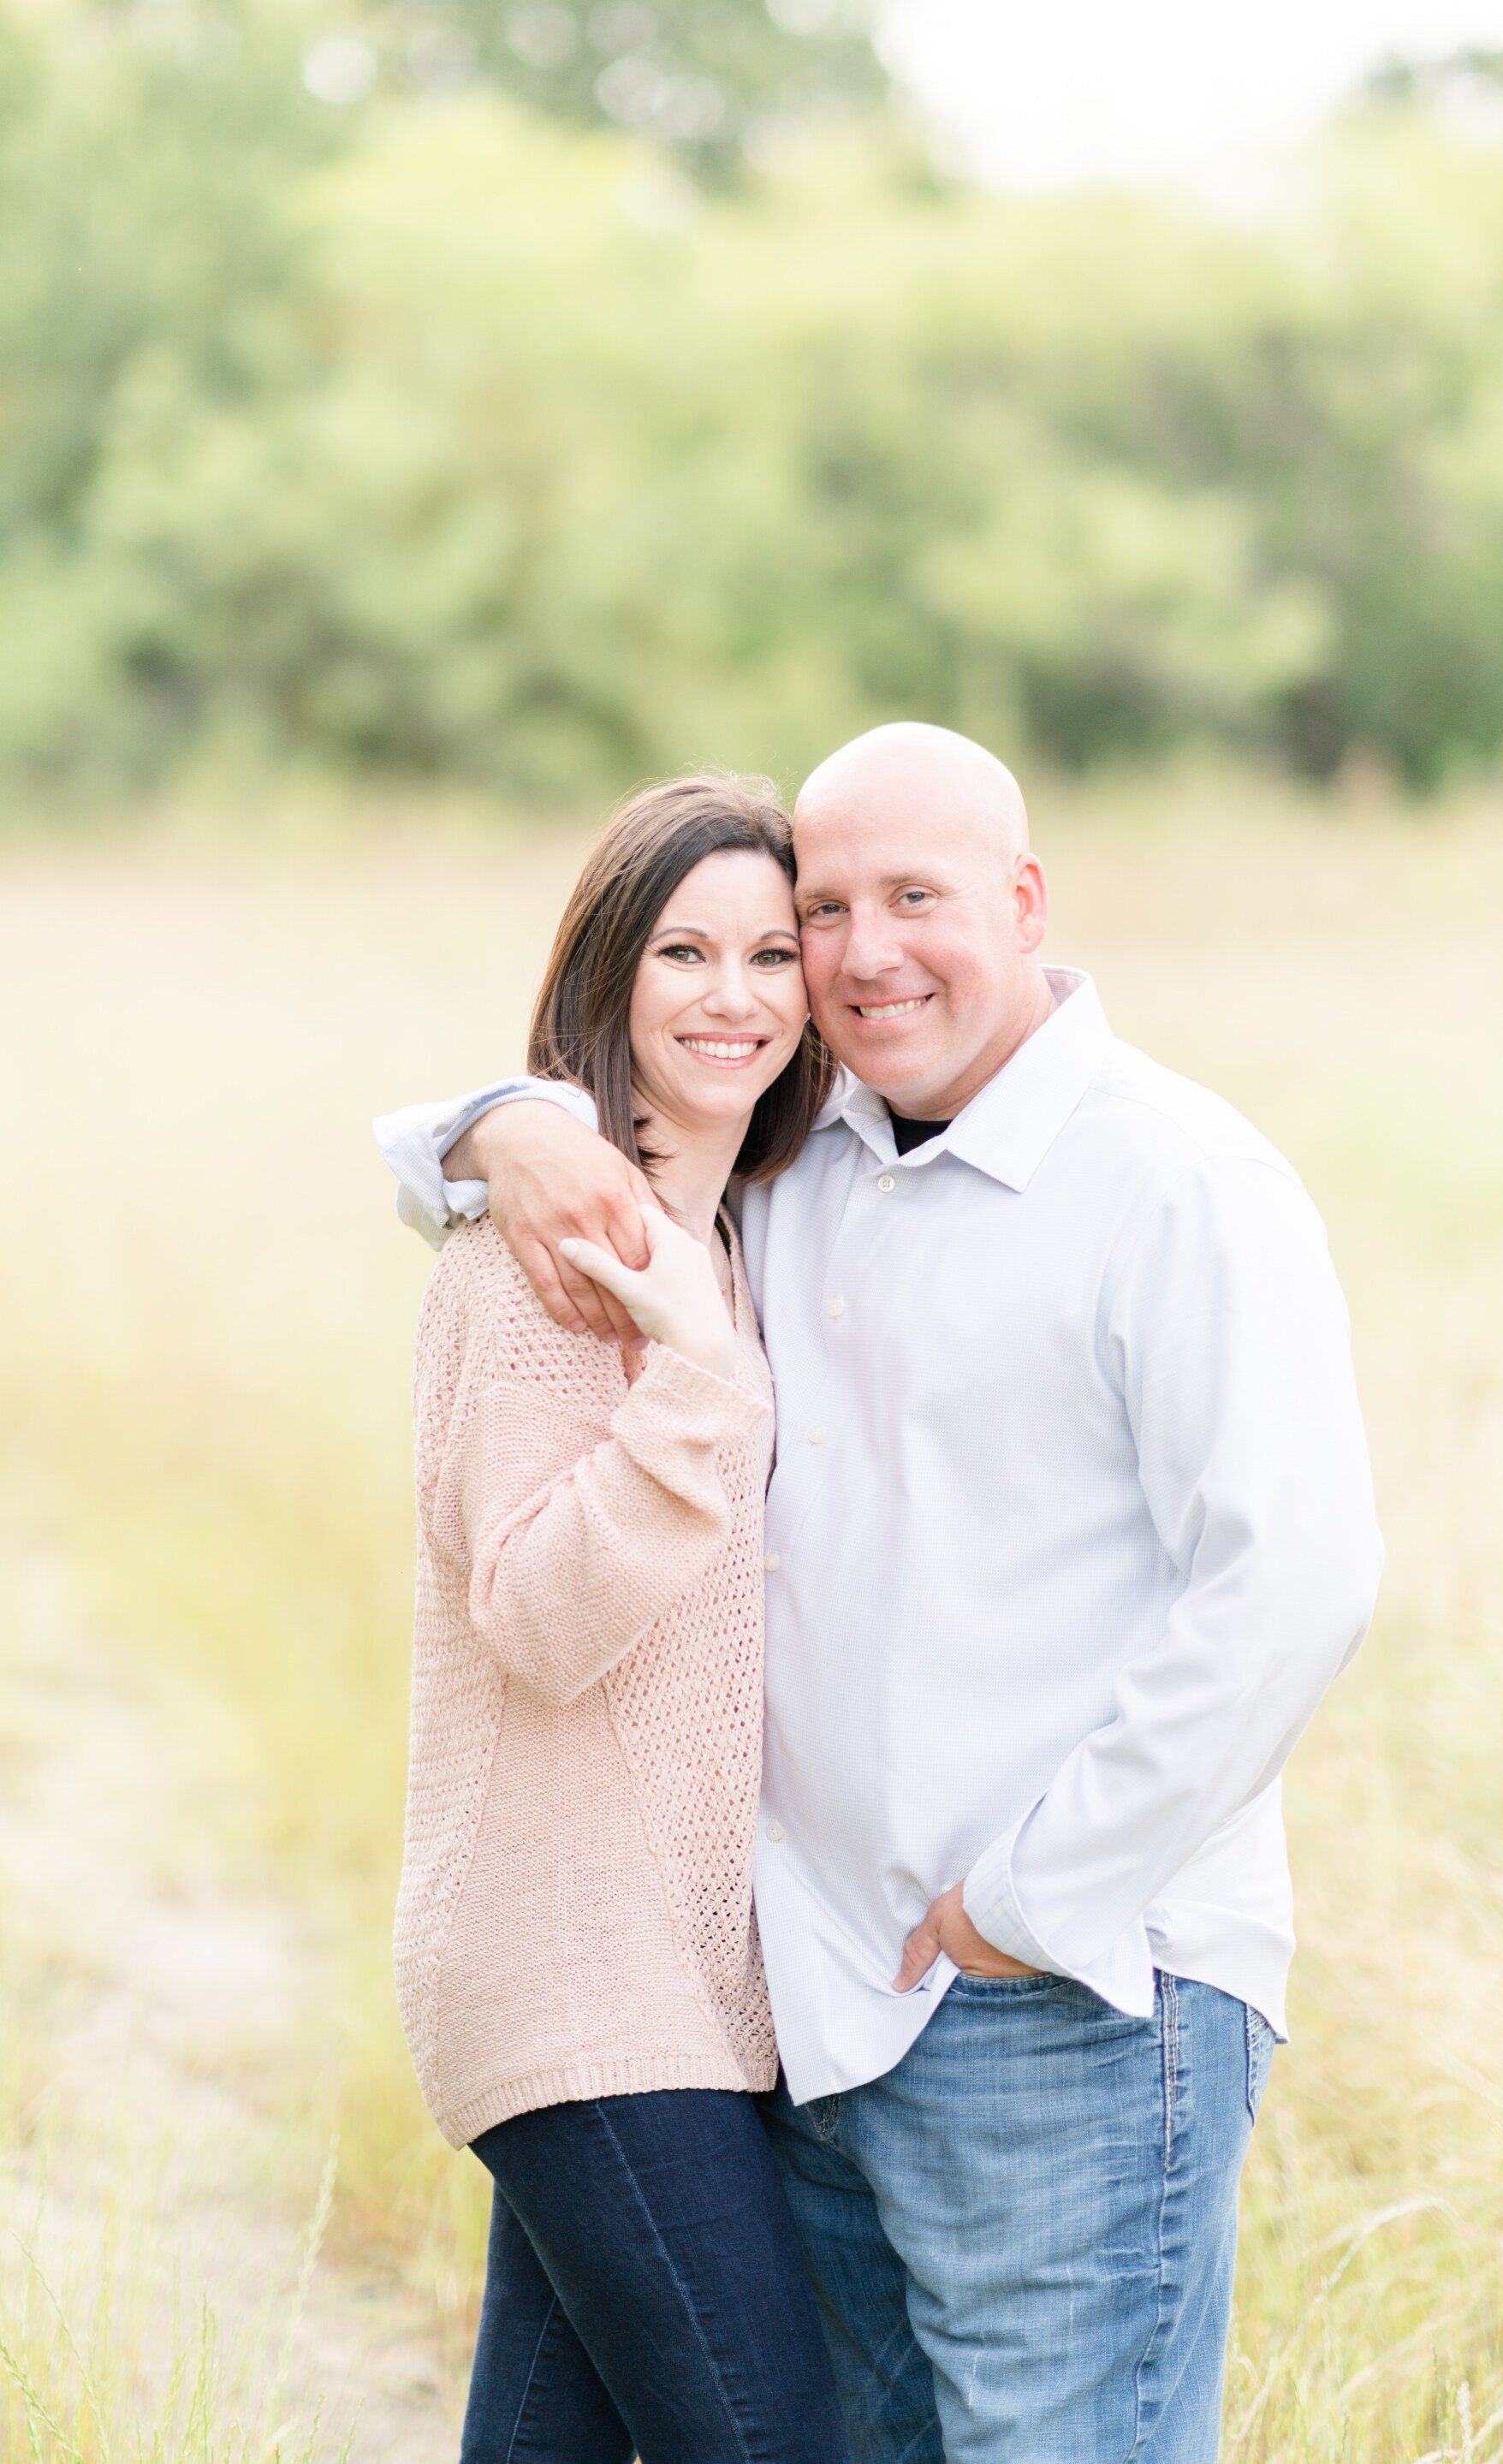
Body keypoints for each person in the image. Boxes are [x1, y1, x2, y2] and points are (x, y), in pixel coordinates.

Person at [378, 722, 1384, 2464]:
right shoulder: (742, 1181)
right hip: (762, 2005)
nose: (844, 959)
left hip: (1061, 1985)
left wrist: (1031, 1898)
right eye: (817, 911)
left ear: (1026, 900)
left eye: (901, 901)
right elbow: (593, 1125)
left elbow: (1295, 1582)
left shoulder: (1166, 1178)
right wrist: (498, 1131)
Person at [390, 771, 847, 2464]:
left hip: (669, 1973)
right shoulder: (546, 1256)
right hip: (565, 1958)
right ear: (610, 978)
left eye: (767, 953)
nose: (734, 997)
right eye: (683, 953)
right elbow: (538, 1616)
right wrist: (694, 1390)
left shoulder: (717, 1235)